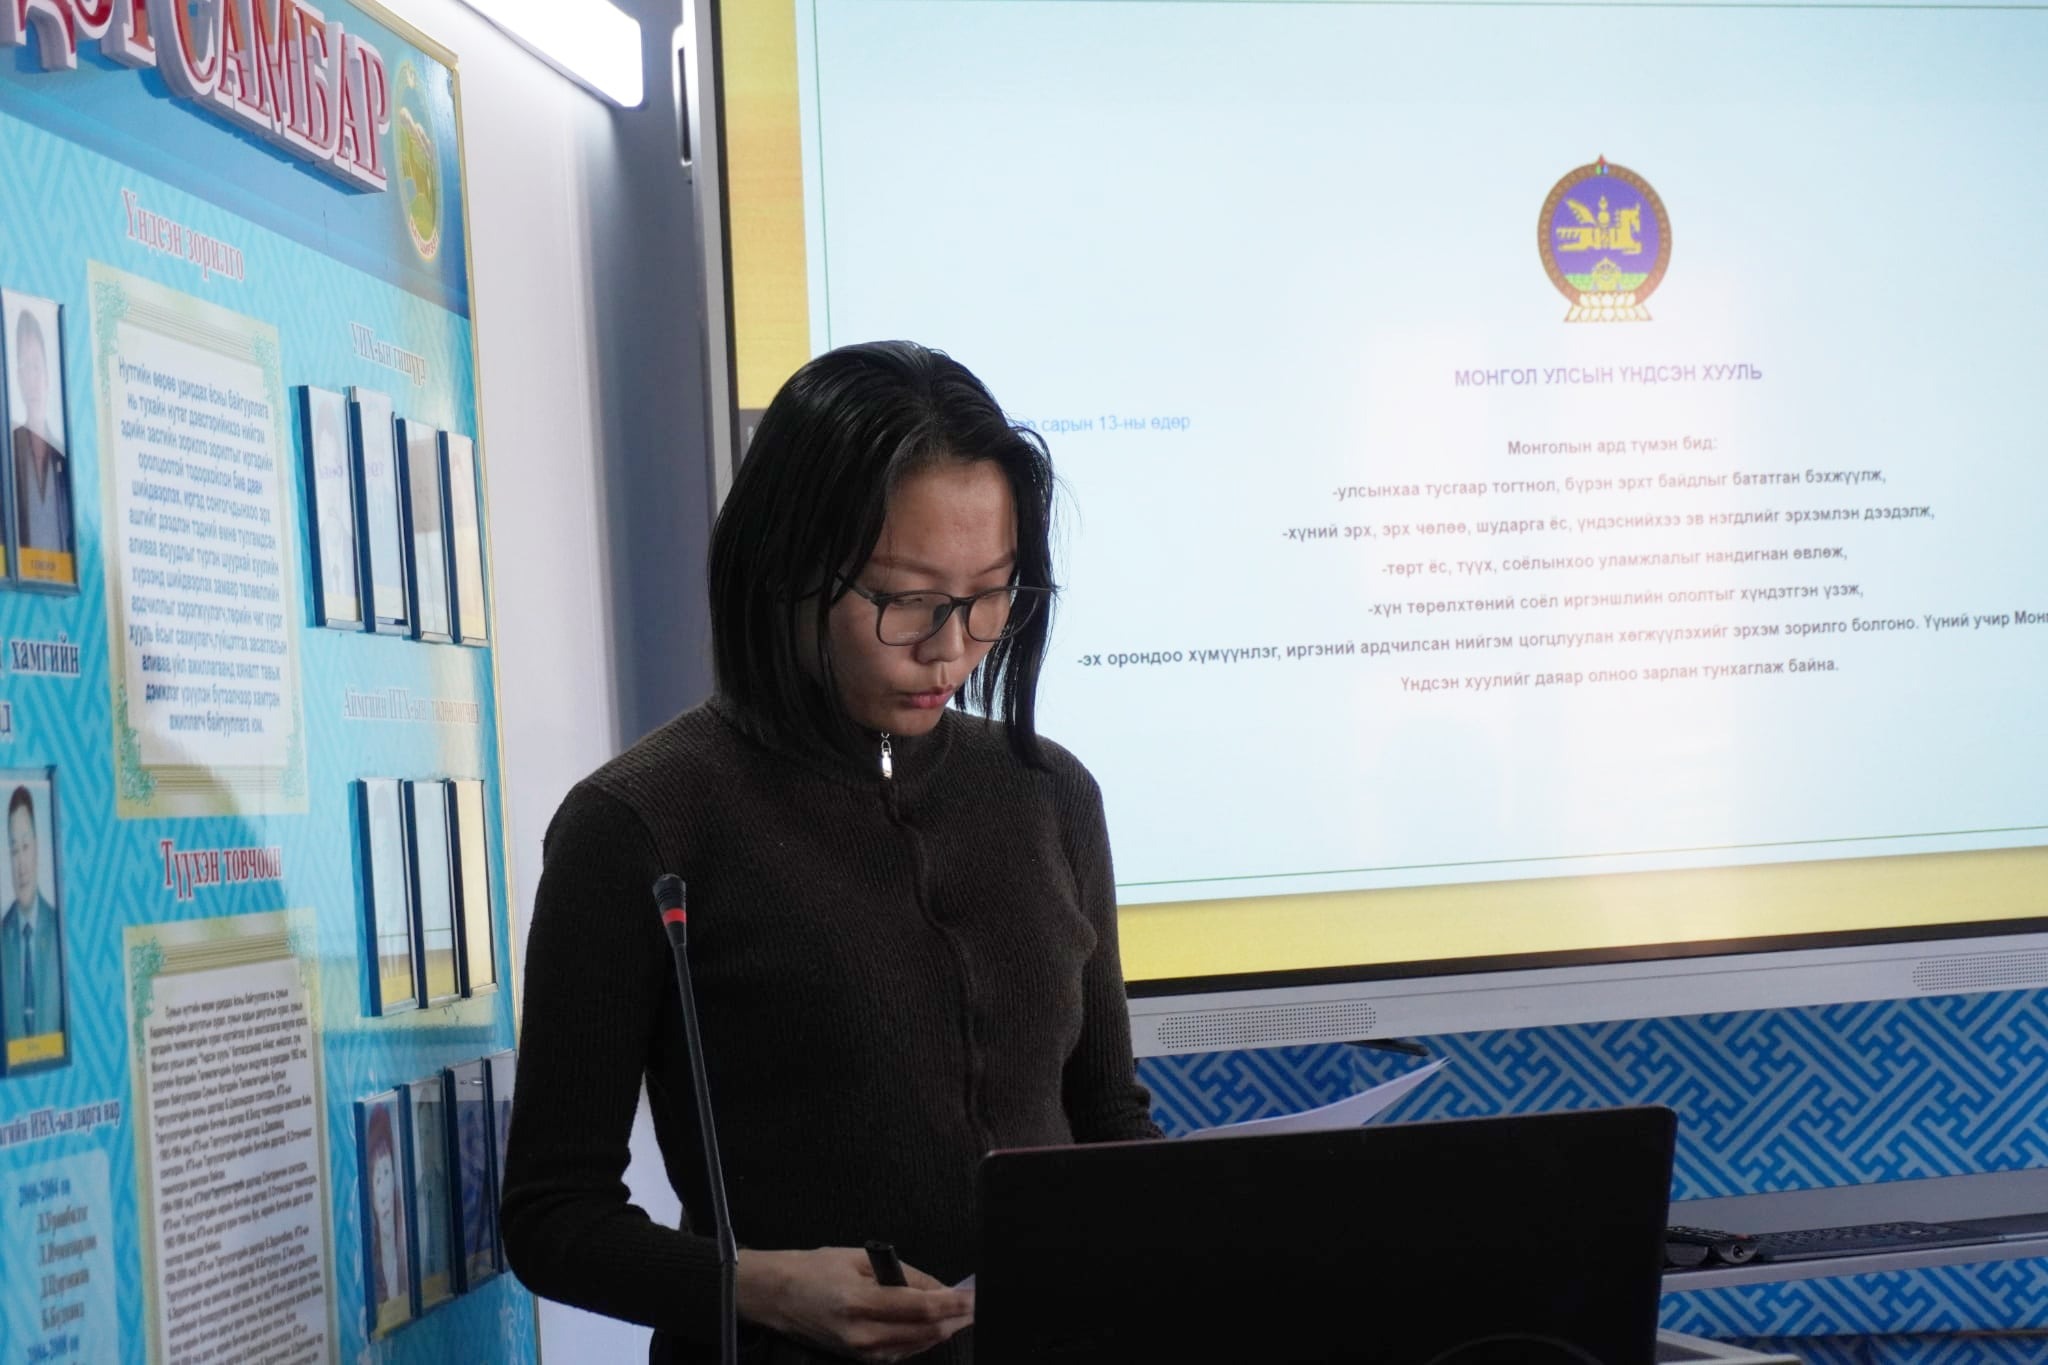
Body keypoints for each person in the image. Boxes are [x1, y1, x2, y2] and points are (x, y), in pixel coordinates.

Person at [501, 341, 1160, 1364]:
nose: (951, 646)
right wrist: (759, 1288)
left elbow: (1107, 1118)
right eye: (904, 598)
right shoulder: (639, 822)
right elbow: (552, 1216)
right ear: (789, 567)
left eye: (991, 595)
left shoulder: (1048, 792)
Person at [1, 785, 65, 1049]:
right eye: (14, 850)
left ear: (38, 848)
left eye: (26, 846)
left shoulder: (60, 929)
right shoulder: (2, 936)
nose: (21, 864)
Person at [10, 307, 73, 559]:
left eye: (36, 367)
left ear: (48, 375)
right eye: (25, 368)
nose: (32, 379)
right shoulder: (6, 452)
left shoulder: (64, 458)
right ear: (18, 378)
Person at [364, 1100, 411, 1330]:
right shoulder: (370, 1262)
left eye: (386, 1171)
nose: (382, 1192)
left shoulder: (408, 1243)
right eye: (377, 1179)